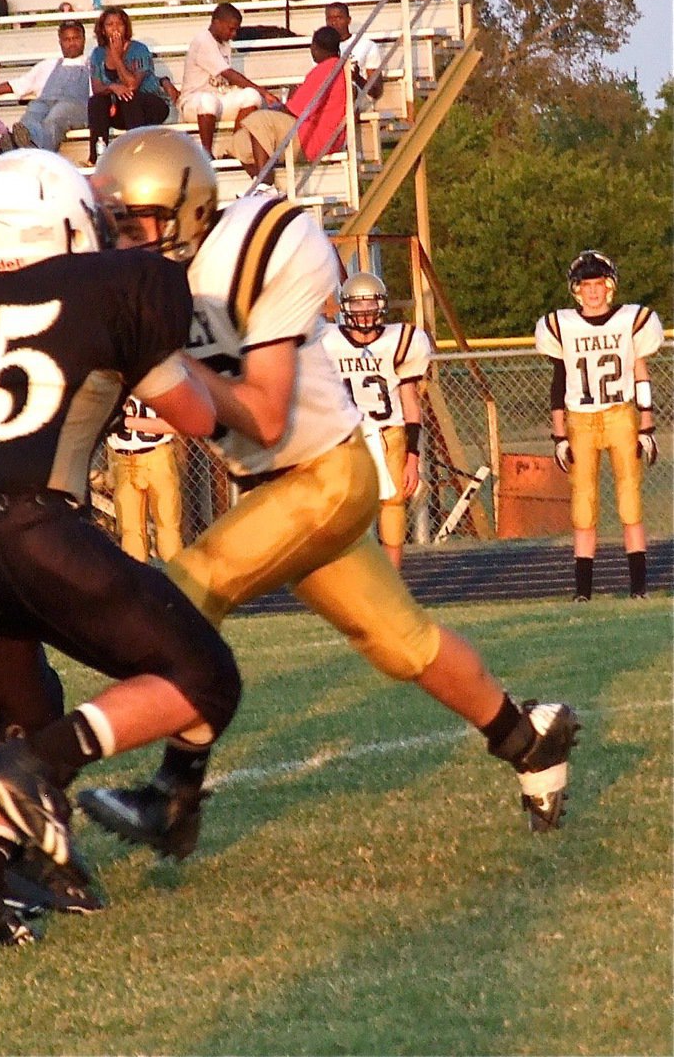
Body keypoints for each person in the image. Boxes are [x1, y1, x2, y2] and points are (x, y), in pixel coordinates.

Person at [79, 128, 581, 860]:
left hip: (326, 473)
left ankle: (174, 796)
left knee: (188, 586)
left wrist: (167, 361)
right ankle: (528, 738)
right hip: (274, 492)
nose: (124, 241)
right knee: (401, 643)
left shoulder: (253, 248)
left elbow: (268, 411)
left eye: (136, 224)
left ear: (186, 214)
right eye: (117, 225)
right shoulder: (145, 276)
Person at [0, 149, 241, 953]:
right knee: (204, 678)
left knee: (16, 711)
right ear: (61, 223)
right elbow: (192, 417)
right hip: (32, 526)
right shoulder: (112, 286)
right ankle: (40, 766)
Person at [534, 250, 664, 601]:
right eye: (586, 285)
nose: (593, 292)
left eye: (599, 284)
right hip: (581, 419)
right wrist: (559, 433)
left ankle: (639, 588)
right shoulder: (561, 325)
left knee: (629, 499)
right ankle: (583, 592)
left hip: (621, 413)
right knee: (584, 502)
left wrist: (647, 423)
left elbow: (640, 371)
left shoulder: (631, 320)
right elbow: (559, 381)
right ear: (576, 290)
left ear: (610, 287)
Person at [319, 272, 432, 570]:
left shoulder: (401, 341)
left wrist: (413, 457)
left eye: (371, 304)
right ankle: (349, 575)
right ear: (345, 308)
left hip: (388, 432)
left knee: (393, 505)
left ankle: (392, 577)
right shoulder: (326, 340)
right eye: (358, 306)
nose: (365, 312)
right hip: (345, 435)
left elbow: (410, 403)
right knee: (342, 506)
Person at [229, 26, 347, 185]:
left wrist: (274, 108)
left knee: (260, 119)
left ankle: (266, 184)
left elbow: (294, 111)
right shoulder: (337, 67)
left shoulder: (326, 69)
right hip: (315, 134)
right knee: (239, 141)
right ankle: (260, 185)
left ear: (315, 47)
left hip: (313, 138)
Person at [0, 20, 89, 154]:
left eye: (76, 38)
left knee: (56, 116)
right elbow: (15, 85)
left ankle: (24, 149)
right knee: (33, 112)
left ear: (84, 39)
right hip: (46, 103)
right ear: (60, 42)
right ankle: (27, 145)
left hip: (76, 107)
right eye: (67, 39)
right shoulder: (48, 65)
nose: (71, 43)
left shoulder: (92, 63)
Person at [177, 2, 281, 157]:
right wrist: (265, 92)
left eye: (236, 30)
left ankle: (234, 148)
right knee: (208, 100)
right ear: (216, 23)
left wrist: (258, 93)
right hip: (194, 102)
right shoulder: (203, 41)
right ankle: (206, 153)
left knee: (251, 96)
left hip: (219, 98)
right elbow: (228, 74)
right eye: (231, 29)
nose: (234, 34)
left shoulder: (224, 43)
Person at [86, 7, 172, 165]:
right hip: (120, 109)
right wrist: (113, 87)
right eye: (109, 24)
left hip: (149, 106)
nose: (115, 28)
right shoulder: (98, 54)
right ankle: (97, 157)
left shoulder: (139, 49)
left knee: (130, 97)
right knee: (96, 102)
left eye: (119, 24)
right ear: (103, 30)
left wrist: (117, 57)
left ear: (126, 27)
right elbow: (97, 88)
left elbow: (132, 85)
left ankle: (137, 154)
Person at [105, 394, 184, 563]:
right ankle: (138, 584)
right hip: (121, 459)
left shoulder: (157, 382)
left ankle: (177, 581)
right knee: (129, 530)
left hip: (157, 457)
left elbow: (175, 423)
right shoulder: (108, 380)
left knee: (167, 525)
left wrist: (127, 422)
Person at [324, 2, 384, 104]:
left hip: (360, 98)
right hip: (332, 98)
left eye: (339, 18)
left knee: (350, 90)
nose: (334, 23)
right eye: (330, 19)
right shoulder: (321, 48)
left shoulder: (367, 45)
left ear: (348, 20)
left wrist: (357, 78)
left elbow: (376, 91)